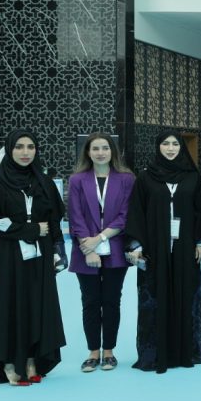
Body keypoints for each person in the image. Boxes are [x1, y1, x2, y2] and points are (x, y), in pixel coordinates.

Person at [0, 130, 67, 385]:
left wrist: (58, 250)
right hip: (7, 256)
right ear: (9, 150)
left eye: (30, 147)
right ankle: (7, 362)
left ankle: (31, 359)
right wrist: (27, 230)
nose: (25, 152)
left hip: (39, 256)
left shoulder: (44, 183)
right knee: (8, 305)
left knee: (36, 304)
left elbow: (54, 220)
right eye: (19, 147)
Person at [124, 131, 201, 374]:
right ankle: (154, 354)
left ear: (181, 147)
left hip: (185, 248)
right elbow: (136, 212)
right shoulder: (145, 177)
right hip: (154, 249)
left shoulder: (192, 177)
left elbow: (199, 211)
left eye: (175, 144)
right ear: (157, 147)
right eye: (165, 144)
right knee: (154, 300)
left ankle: (187, 351)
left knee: (186, 296)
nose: (170, 148)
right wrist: (136, 246)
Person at [67, 132, 135, 373]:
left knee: (111, 301)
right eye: (95, 148)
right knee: (90, 302)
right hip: (84, 249)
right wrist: (88, 248)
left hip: (114, 247)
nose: (100, 152)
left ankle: (109, 352)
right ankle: (93, 352)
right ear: (88, 152)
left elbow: (125, 216)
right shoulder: (77, 180)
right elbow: (75, 216)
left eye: (105, 148)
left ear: (112, 151)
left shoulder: (127, 179)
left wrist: (99, 239)